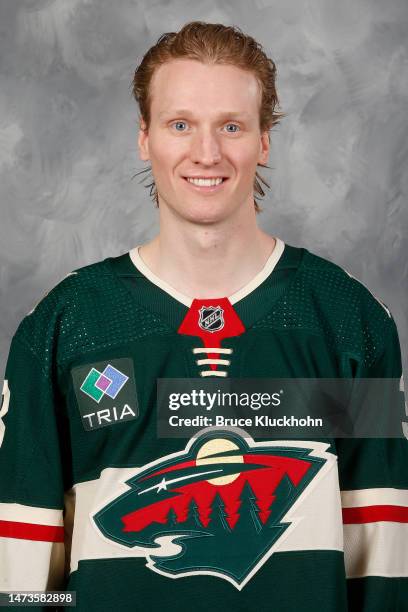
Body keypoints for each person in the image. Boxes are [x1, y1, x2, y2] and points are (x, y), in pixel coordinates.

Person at [0, 21, 407, 612]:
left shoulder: (347, 320)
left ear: (264, 140)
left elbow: (384, 551)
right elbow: (24, 565)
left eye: (232, 127)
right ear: (145, 138)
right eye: (181, 124)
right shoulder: (66, 324)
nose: (207, 153)